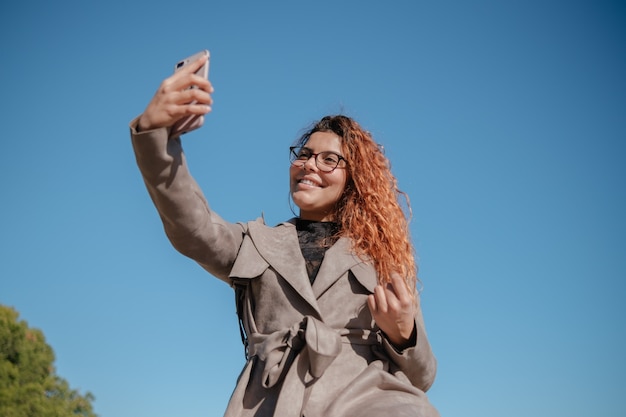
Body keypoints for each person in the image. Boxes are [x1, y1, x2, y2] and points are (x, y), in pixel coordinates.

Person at [130, 54, 439, 417]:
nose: (309, 165)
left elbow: (422, 376)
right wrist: (157, 135)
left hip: (365, 399)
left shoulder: (383, 257)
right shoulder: (254, 243)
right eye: (304, 155)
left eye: (329, 160)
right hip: (270, 402)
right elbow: (191, 226)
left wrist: (404, 333)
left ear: (354, 178)